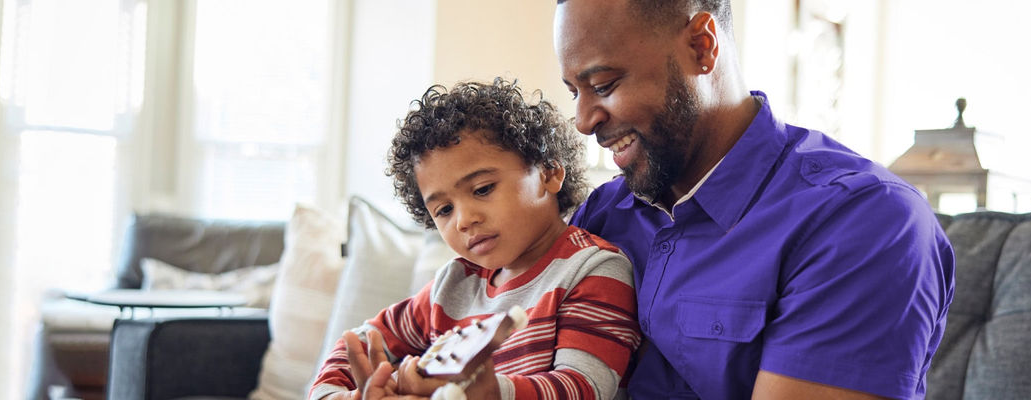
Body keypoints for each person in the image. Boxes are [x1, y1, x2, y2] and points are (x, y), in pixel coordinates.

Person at [554, 1, 956, 399]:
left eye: (603, 85)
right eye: (574, 93)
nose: (584, 121)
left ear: (701, 46)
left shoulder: (865, 222)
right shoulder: (603, 214)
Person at [310, 78, 641, 400]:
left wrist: (490, 393)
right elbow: (359, 342)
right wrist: (334, 393)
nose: (464, 220)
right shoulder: (453, 285)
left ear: (549, 173)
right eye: (444, 210)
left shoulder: (593, 270)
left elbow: (583, 388)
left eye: (482, 189)